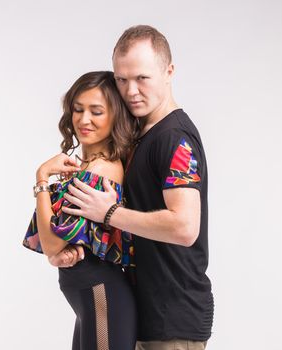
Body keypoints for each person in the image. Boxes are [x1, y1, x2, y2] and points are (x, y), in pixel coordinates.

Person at [53, 25, 214, 350]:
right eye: (122, 79)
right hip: (143, 312)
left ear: (168, 72)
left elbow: (184, 227)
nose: (131, 90)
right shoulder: (142, 134)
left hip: (173, 320)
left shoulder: (174, 139)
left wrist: (109, 212)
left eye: (142, 78)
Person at [23, 71, 139, 350]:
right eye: (78, 109)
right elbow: (55, 244)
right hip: (93, 302)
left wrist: (41, 177)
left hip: (103, 298)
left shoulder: (99, 172)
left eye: (96, 111)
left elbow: (51, 244)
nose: (84, 120)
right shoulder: (86, 167)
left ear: (115, 116)